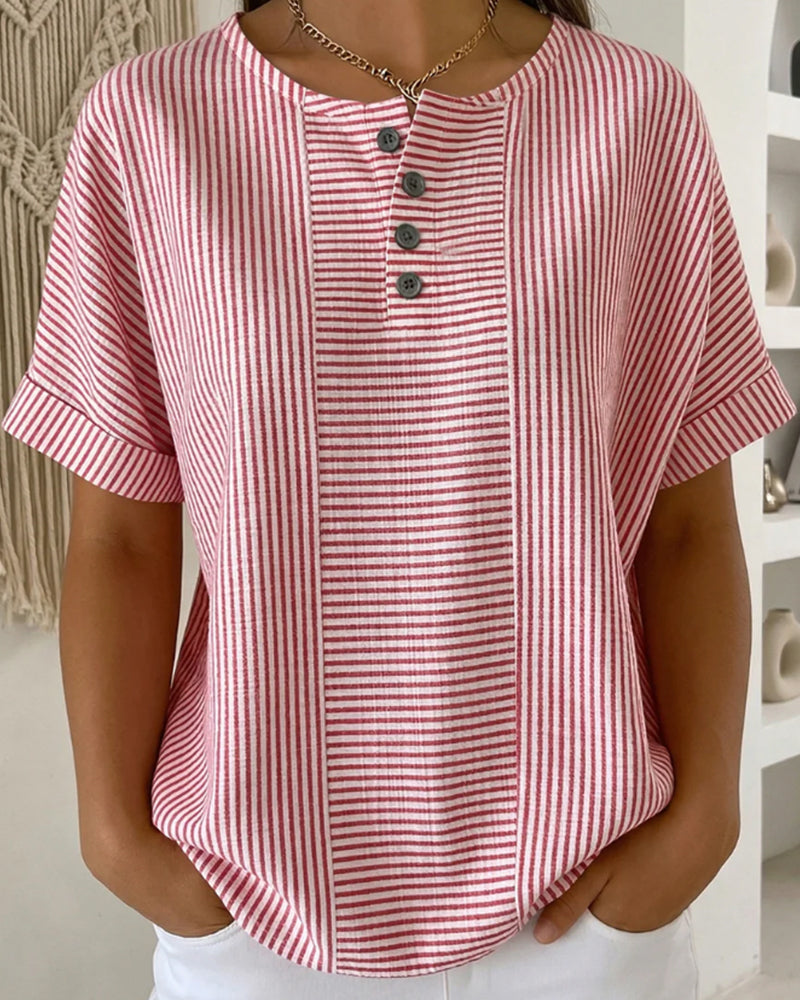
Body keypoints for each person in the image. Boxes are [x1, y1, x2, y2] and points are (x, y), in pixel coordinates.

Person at [1, 0, 796, 997]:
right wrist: (114, 834)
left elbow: (685, 523)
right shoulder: (151, 120)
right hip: (254, 915)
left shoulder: (637, 116)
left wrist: (707, 813)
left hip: (587, 914)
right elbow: (118, 532)